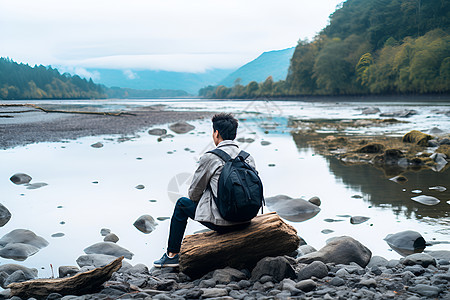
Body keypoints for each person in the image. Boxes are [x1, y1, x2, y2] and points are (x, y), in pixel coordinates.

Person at [154, 113, 258, 268]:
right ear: (234, 134)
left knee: (182, 204)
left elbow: (193, 194)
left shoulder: (211, 157)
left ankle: (172, 255)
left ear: (216, 133)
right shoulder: (247, 157)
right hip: (247, 218)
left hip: (224, 221)